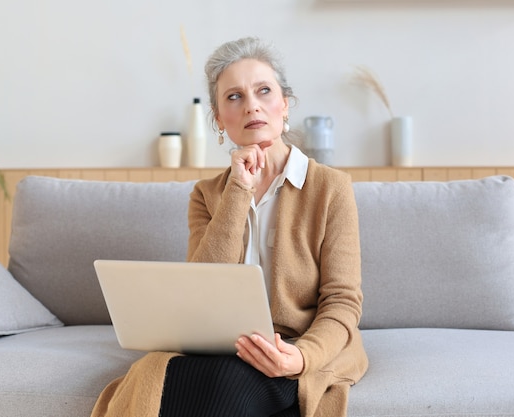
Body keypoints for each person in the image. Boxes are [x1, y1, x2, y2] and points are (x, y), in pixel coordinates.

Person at [91, 36, 368, 417]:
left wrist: (300, 358)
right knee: (163, 381)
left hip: (296, 347)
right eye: (234, 97)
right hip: (219, 350)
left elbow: (342, 302)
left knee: (220, 389)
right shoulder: (207, 195)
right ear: (220, 120)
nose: (251, 104)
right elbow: (200, 290)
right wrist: (239, 189)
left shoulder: (331, 188)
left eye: (264, 91)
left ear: (284, 104)